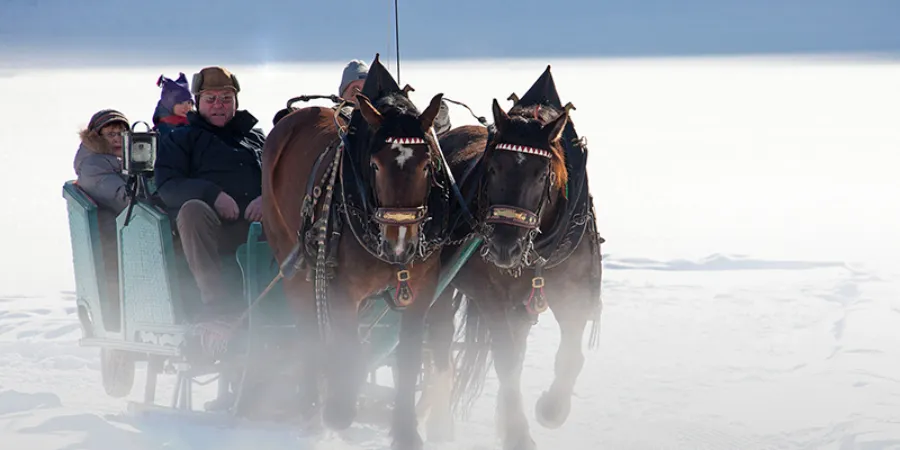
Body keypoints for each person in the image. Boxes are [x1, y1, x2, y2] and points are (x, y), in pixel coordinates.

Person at [153, 66, 266, 318]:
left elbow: (279, 176)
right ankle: (217, 307)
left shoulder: (256, 138)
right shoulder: (180, 139)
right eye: (210, 99)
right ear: (198, 102)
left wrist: (267, 199)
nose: (219, 105)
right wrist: (212, 195)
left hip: (260, 226)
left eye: (226, 98)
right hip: (210, 231)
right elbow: (168, 185)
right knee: (192, 210)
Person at [73, 109, 131, 316]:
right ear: (97, 137)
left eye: (122, 134)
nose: (117, 139)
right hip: (114, 234)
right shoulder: (94, 164)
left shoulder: (122, 161)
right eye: (111, 134)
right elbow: (123, 198)